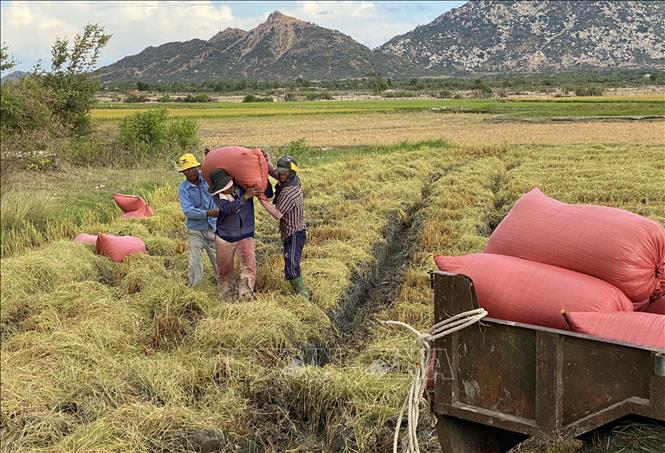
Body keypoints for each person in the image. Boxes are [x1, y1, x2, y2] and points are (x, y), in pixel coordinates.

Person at [208, 168, 264, 301]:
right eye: (221, 189)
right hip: (225, 237)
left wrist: (265, 167)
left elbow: (267, 191)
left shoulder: (244, 187)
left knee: (249, 268)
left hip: (245, 235)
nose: (224, 190)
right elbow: (229, 209)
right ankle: (227, 298)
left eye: (225, 187)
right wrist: (245, 197)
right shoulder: (218, 197)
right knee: (225, 271)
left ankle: (246, 297)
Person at [260, 155, 309, 300]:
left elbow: (277, 214)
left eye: (284, 173)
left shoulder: (289, 193)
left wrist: (262, 200)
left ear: (291, 173)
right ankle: (298, 290)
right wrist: (266, 161)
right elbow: (275, 173)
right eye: (280, 172)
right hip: (291, 231)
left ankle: (302, 296)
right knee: (290, 262)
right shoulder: (292, 179)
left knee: (291, 264)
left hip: (294, 233)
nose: (280, 175)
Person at [177, 153, 219, 287]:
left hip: (214, 227)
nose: (191, 172)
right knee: (194, 262)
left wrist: (211, 156)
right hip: (196, 230)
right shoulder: (183, 189)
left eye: (193, 168)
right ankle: (195, 290)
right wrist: (208, 213)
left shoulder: (208, 178)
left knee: (220, 261)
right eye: (187, 170)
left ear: (198, 166)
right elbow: (188, 211)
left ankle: (225, 288)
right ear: (183, 172)